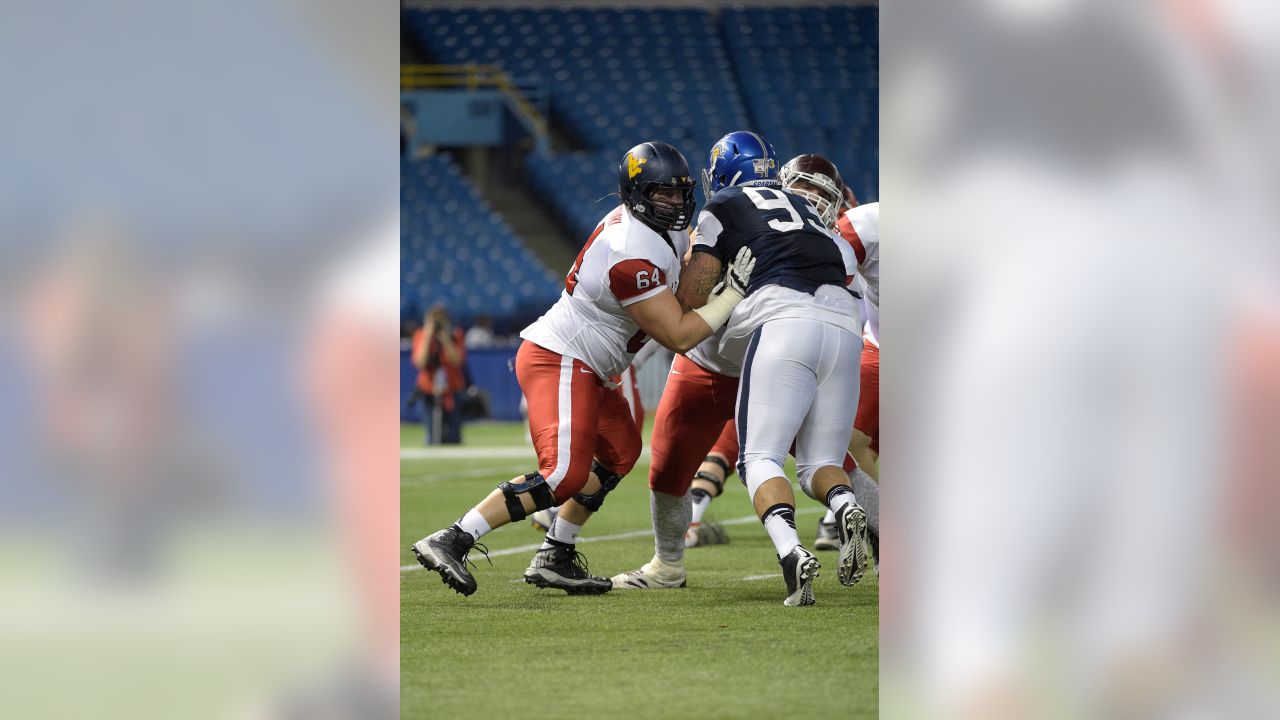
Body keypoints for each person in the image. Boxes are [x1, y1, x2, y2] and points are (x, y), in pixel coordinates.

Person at [410, 141, 756, 596]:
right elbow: (678, 333)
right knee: (563, 474)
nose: (674, 202)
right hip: (562, 356)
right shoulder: (629, 249)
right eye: (662, 193)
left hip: (594, 364)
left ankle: (556, 553)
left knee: (620, 454)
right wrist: (730, 293)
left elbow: (684, 285)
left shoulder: (658, 229)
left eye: (680, 192)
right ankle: (453, 538)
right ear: (635, 194)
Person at [612, 138, 869, 606]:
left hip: (768, 340)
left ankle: (757, 554)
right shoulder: (820, 224)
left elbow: (688, 296)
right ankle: (850, 513)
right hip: (812, 337)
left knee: (746, 461)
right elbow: (850, 290)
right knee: (825, 461)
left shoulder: (722, 207)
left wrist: (721, 286)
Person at [410, 306, 466, 444]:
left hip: (452, 389)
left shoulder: (455, 335)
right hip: (428, 389)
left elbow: (457, 360)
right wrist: (428, 336)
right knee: (432, 438)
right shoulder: (420, 335)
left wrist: (445, 339)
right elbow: (419, 362)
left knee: (454, 437)